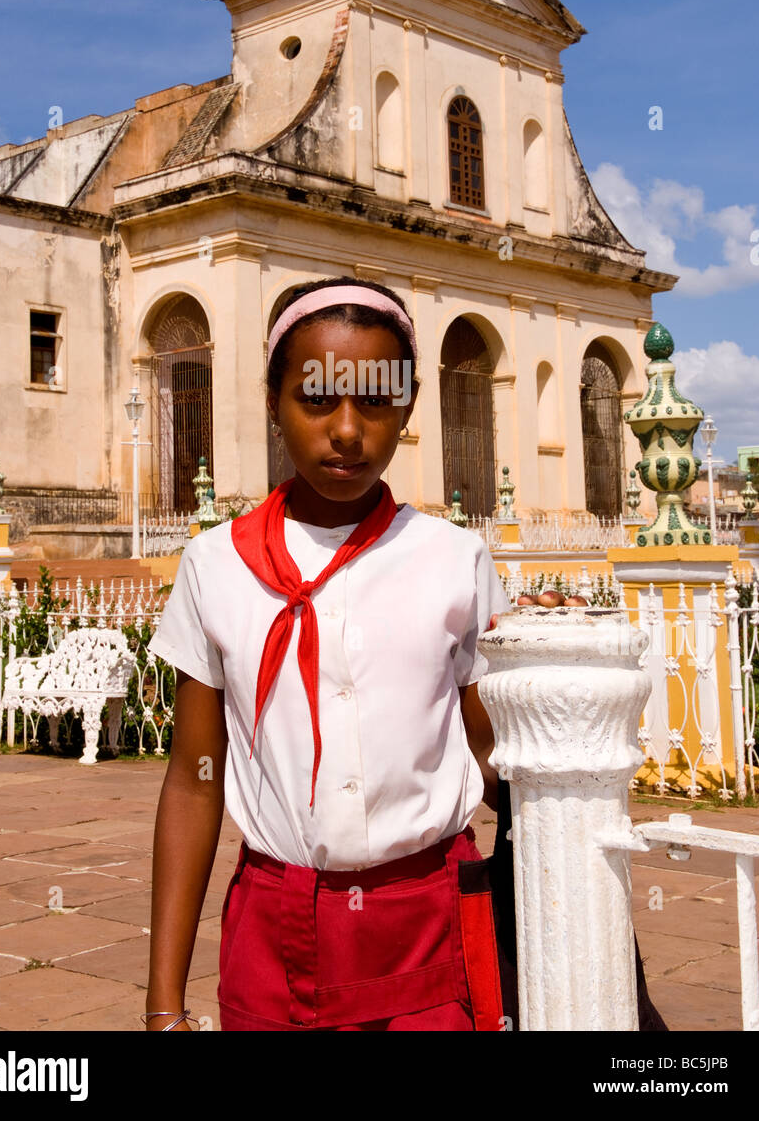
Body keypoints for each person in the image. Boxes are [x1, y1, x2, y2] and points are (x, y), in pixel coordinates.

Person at [142, 275, 511, 1032]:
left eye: (374, 401)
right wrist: (162, 1005)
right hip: (273, 931)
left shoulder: (452, 558)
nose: (347, 430)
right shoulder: (216, 566)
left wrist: (552, 671)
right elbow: (193, 781)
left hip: (427, 928)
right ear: (273, 404)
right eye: (316, 399)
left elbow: (494, 762)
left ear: (406, 408)